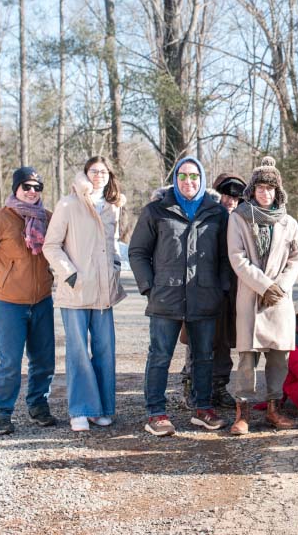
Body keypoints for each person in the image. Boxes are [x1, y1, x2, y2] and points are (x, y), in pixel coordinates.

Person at [129, 156, 231, 436]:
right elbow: (138, 252)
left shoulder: (217, 213)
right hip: (165, 296)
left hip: (205, 296)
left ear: (202, 180)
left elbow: (225, 256)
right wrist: (149, 287)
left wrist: (221, 289)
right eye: (183, 176)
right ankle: (156, 412)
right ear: (175, 179)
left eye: (194, 176)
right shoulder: (157, 210)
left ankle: (202, 408)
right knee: (160, 355)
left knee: (203, 356)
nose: (189, 182)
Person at [0, 167, 57, 435]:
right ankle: (0, 412)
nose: (32, 191)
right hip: (8, 303)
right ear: (16, 188)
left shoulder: (49, 218)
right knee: (10, 360)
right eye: (26, 186)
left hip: (41, 300)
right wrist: (0, 281)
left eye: (37, 187)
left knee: (43, 359)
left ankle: (38, 406)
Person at [43, 157, 126, 432]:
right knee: (78, 351)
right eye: (94, 171)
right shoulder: (68, 204)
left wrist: (115, 268)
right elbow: (51, 245)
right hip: (76, 290)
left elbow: (113, 246)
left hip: (104, 291)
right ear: (85, 173)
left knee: (105, 350)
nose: (99, 175)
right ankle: (80, 409)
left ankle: (102, 408)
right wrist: (70, 273)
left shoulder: (113, 207)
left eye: (103, 171)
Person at [227, 157, 298, 436]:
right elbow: (237, 257)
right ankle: (242, 413)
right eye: (260, 188)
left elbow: (296, 259)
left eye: (270, 188)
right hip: (251, 295)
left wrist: (279, 287)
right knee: (247, 357)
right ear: (252, 190)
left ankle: (273, 409)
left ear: (277, 192)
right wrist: (264, 286)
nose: (265, 193)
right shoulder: (239, 217)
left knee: (279, 357)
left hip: (279, 299)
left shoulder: (289, 222)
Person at [180, 172, 246, 409]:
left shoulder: (241, 219)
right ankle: (190, 385)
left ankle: (218, 386)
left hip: (230, 288)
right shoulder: (204, 214)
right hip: (201, 285)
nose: (230, 201)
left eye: (235, 198)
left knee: (224, 340)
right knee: (197, 340)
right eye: (226, 196)